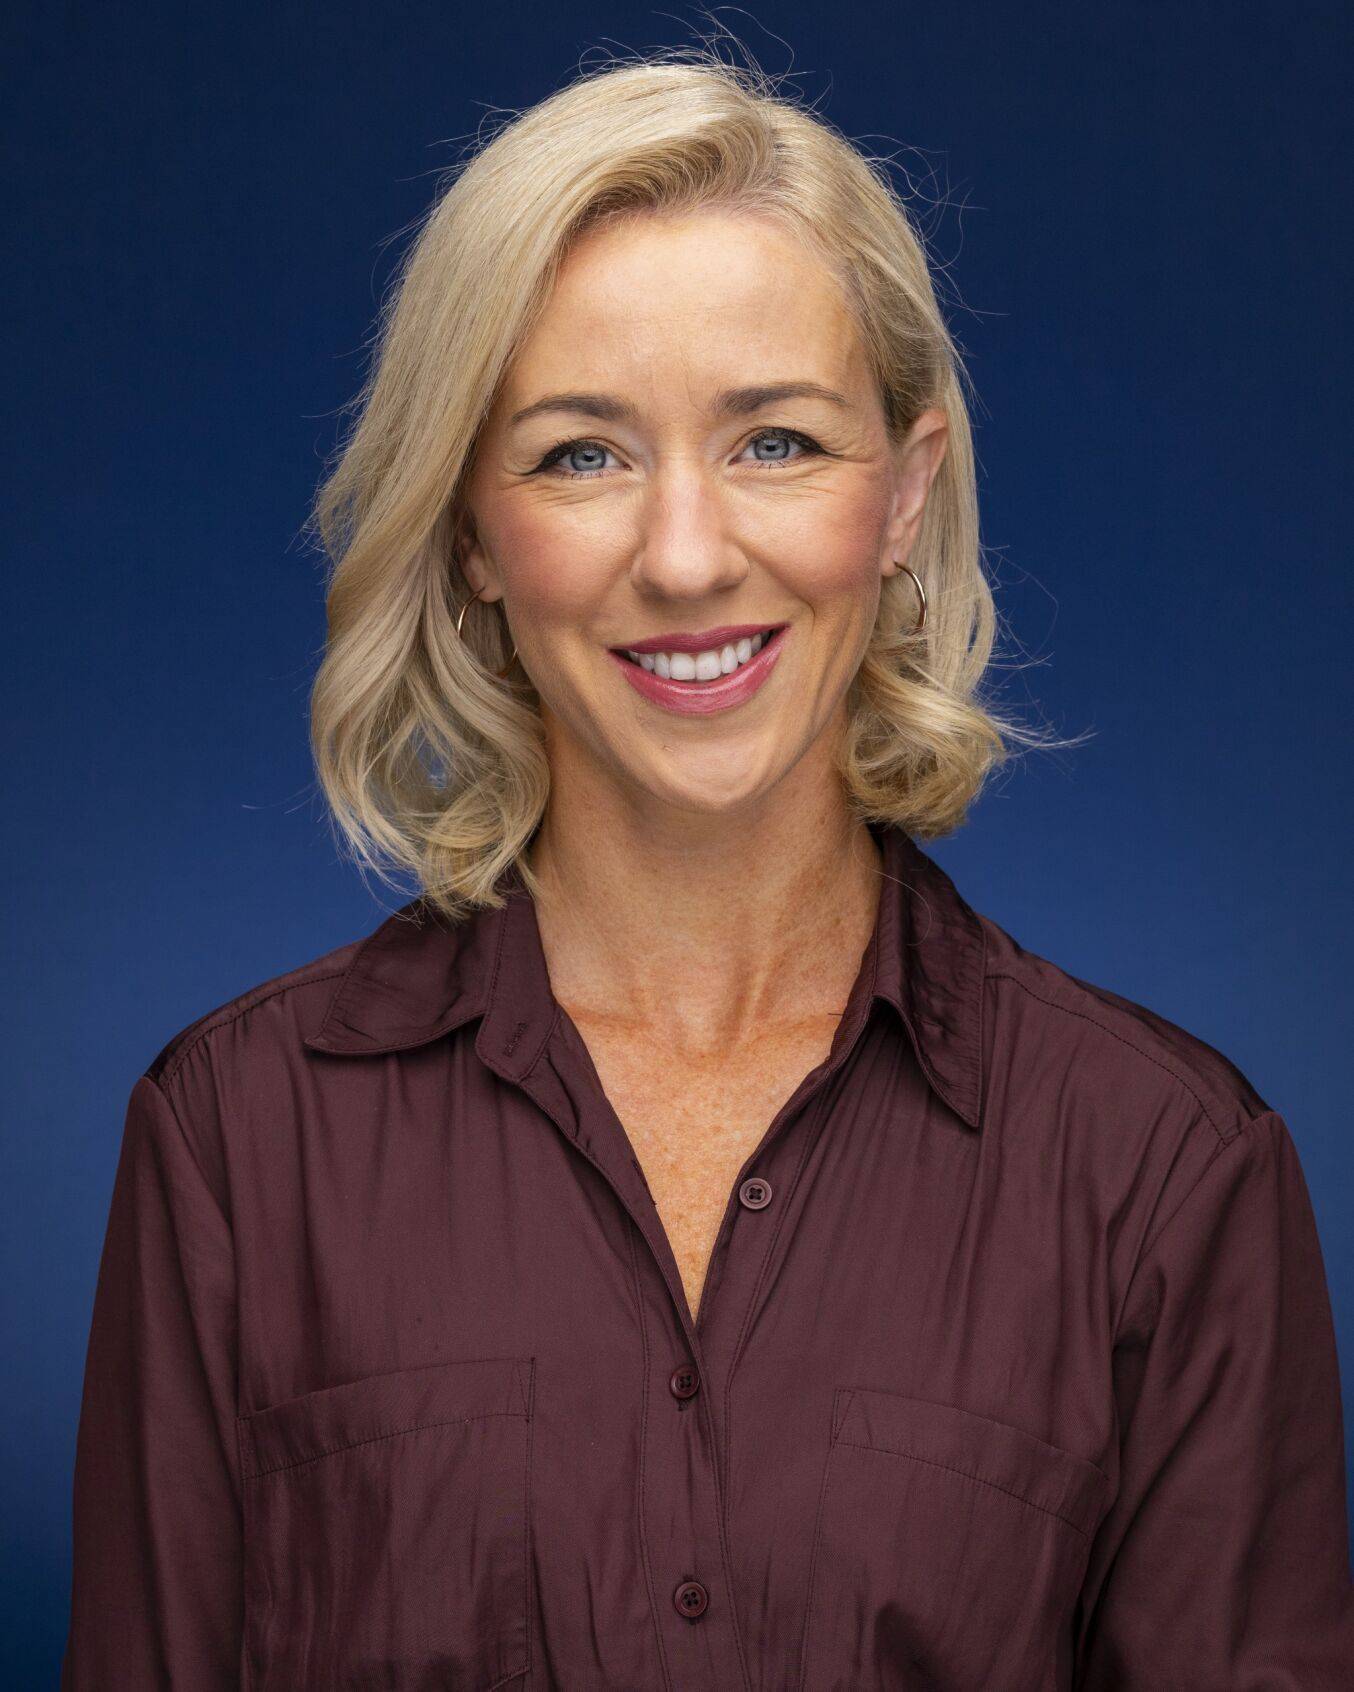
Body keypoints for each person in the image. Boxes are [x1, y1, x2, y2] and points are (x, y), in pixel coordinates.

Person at [62, 47, 1353, 1692]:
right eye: (579, 455)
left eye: (777, 443)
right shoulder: (236, 1142)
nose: (684, 555)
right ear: (469, 531)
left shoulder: (1167, 1171)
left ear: (904, 493)